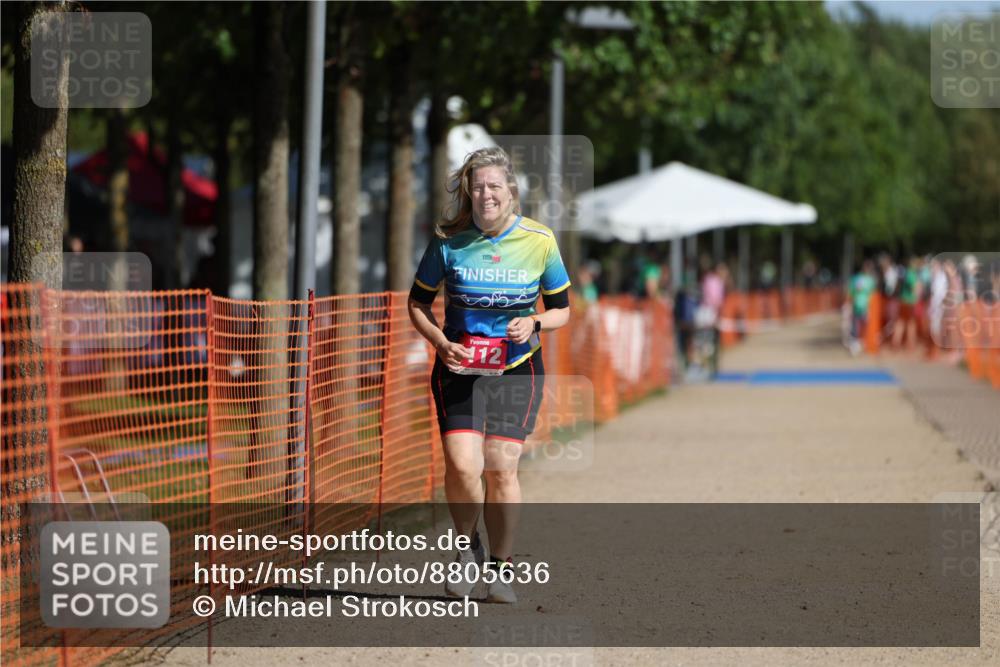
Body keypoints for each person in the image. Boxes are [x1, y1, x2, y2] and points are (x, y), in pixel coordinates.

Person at [407, 147, 571, 604]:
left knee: (501, 468)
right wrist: (441, 342)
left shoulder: (540, 241)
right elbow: (416, 304)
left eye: (494, 186)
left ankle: (500, 567)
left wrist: (535, 322)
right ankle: (466, 551)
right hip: (459, 366)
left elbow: (562, 310)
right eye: (477, 187)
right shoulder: (447, 241)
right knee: (462, 465)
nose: (486, 195)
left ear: (511, 191)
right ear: (467, 192)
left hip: (517, 367)